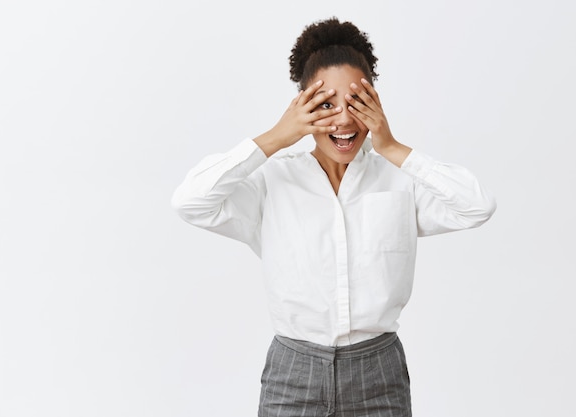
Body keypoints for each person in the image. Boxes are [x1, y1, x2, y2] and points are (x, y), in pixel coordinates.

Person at [172, 17, 496, 417]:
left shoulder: (399, 181)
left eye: (356, 104)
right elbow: (190, 201)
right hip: (292, 374)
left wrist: (392, 146)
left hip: (379, 373)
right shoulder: (272, 181)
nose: (343, 120)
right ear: (301, 108)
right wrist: (276, 137)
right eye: (325, 105)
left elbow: (476, 206)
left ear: (375, 103)